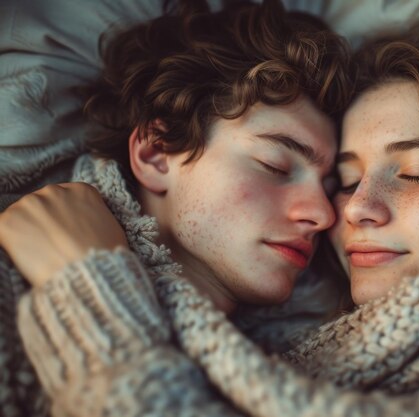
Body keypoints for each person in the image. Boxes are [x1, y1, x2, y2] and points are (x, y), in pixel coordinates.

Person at [3, 25, 419, 417]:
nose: (342, 210)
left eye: (414, 172)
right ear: (155, 152)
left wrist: (88, 293)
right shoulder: (281, 356)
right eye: (347, 179)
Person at [0, 0, 353, 416]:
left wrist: (91, 290)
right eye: (275, 166)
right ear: (156, 154)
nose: (324, 215)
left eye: (334, 188)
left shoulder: (314, 368)